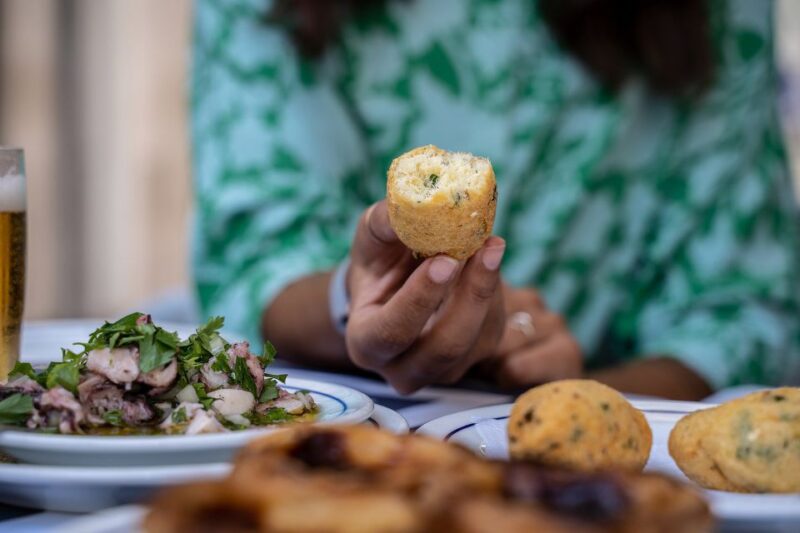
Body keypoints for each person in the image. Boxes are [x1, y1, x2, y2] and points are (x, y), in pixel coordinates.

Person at [191, 0, 800, 400]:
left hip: (607, 476)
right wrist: (355, 300)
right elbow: (258, 254)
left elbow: (740, 315)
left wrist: (563, 398)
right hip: (323, 443)